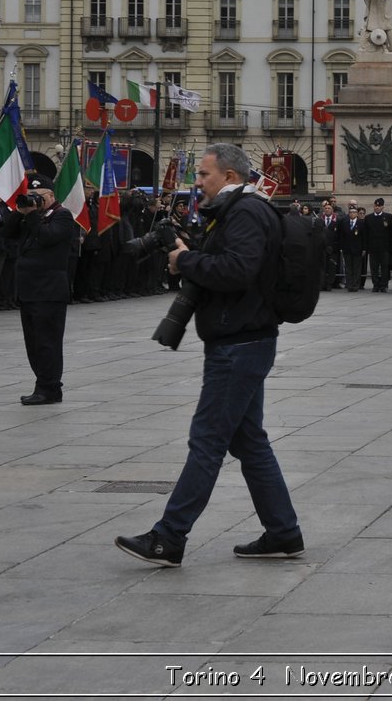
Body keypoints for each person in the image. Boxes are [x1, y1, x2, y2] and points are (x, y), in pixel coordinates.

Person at [116, 143, 302, 568]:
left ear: (230, 177)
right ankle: (283, 532)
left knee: (207, 441)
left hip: (239, 344)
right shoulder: (240, 211)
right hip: (243, 338)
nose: (196, 182)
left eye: (203, 174)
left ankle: (168, 537)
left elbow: (239, 270)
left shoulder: (246, 213)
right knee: (248, 440)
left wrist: (187, 261)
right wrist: (195, 255)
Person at [8, 173, 76, 405]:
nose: (34, 200)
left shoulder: (62, 216)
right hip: (29, 290)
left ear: (50, 196)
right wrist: (21, 212)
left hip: (49, 291)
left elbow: (48, 238)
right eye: (31, 196)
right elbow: (8, 232)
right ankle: (43, 384)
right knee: (34, 343)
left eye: (38, 197)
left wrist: (34, 217)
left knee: (48, 342)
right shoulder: (31, 217)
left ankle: (49, 388)